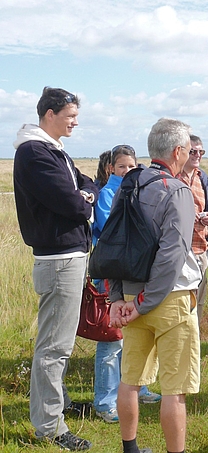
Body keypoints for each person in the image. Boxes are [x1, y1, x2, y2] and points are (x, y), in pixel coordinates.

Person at [109, 118, 201, 453]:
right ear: (178, 151)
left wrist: (118, 298)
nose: (191, 156)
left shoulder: (129, 184)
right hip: (169, 298)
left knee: (130, 379)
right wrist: (144, 302)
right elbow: (171, 256)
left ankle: (130, 449)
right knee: (173, 389)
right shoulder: (177, 191)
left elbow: (112, 243)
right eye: (189, 151)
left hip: (131, 295)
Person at [13, 87, 96, 450]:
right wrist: (82, 199)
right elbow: (72, 203)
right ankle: (50, 427)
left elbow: (87, 186)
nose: (75, 122)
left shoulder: (52, 151)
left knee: (57, 343)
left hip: (68, 255)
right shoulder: (34, 153)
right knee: (54, 347)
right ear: (50, 114)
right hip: (58, 259)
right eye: (70, 116)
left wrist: (83, 196)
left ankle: (57, 404)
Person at [91, 145, 161, 424]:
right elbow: (117, 230)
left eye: (131, 166)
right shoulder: (108, 194)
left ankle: (138, 386)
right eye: (122, 166)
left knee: (136, 335)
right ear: (111, 169)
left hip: (135, 273)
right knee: (111, 341)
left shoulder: (139, 190)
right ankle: (105, 400)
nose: (127, 171)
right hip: (113, 275)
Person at [176, 134, 208, 322]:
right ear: (182, 151)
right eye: (193, 151)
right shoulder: (173, 176)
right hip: (178, 250)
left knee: (199, 298)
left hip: (201, 249)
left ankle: (194, 342)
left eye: (201, 151)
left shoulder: (203, 178)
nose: (197, 155)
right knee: (179, 299)